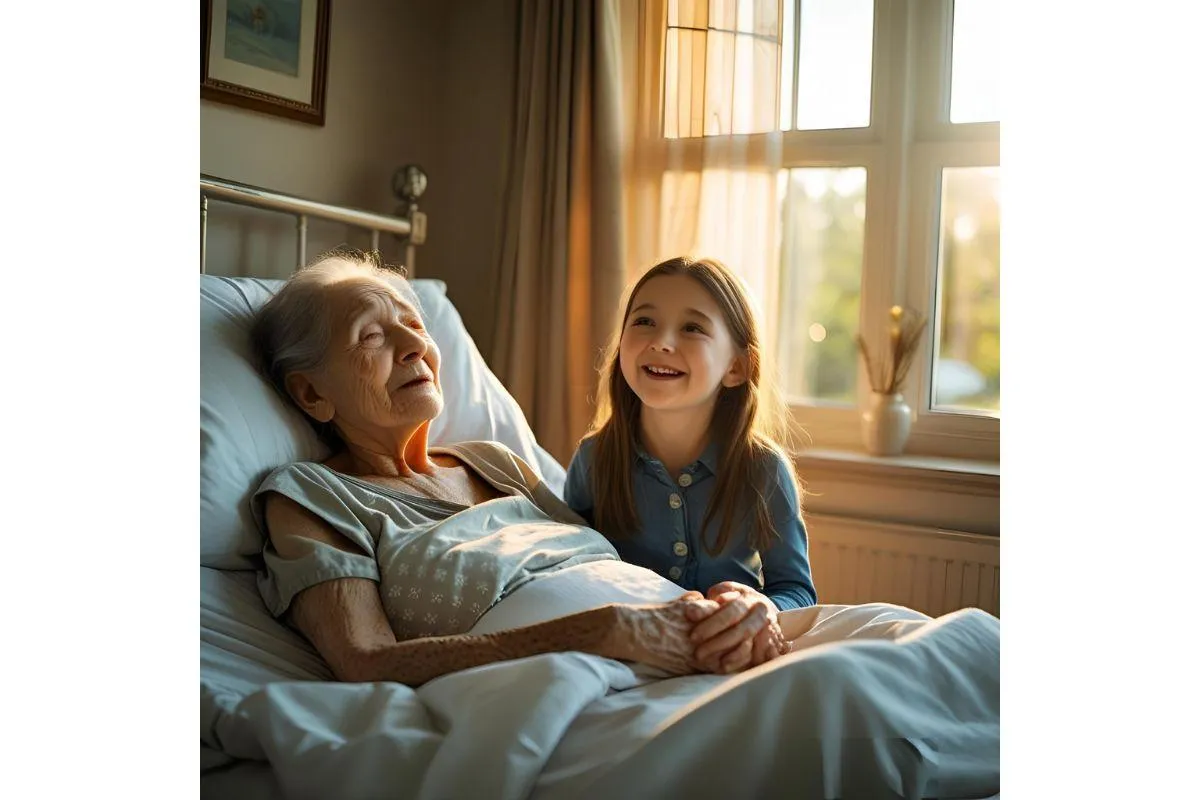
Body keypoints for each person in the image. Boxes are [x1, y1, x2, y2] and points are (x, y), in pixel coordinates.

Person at [248, 250, 791, 688]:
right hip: (588, 681)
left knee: (875, 647)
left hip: (692, 642)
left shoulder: (495, 462)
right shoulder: (312, 497)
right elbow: (364, 660)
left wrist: (744, 608)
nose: (416, 345)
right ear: (312, 392)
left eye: (415, 324)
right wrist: (604, 631)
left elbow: (614, 566)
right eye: (372, 336)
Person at [563, 256, 817, 675]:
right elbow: (572, 570)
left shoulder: (764, 470)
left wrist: (760, 608)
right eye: (644, 321)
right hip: (631, 655)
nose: (661, 341)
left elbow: (797, 590)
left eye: (692, 328)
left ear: (736, 367)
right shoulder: (594, 459)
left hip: (731, 660)